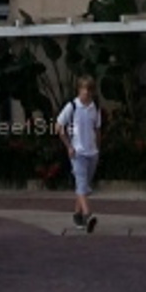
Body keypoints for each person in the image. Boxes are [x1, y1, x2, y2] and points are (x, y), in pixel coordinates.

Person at [56, 74, 101, 232]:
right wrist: (69, 146)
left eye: (89, 89)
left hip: (92, 152)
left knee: (83, 186)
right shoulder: (72, 106)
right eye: (83, 89)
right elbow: (59, 126)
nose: (86, 92)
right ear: (78, 89)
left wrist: (98, 148)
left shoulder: (94, 107)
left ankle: (78, 214)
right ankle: (88, 214)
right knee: (81, 183)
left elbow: (97, 129)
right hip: (78, 152)